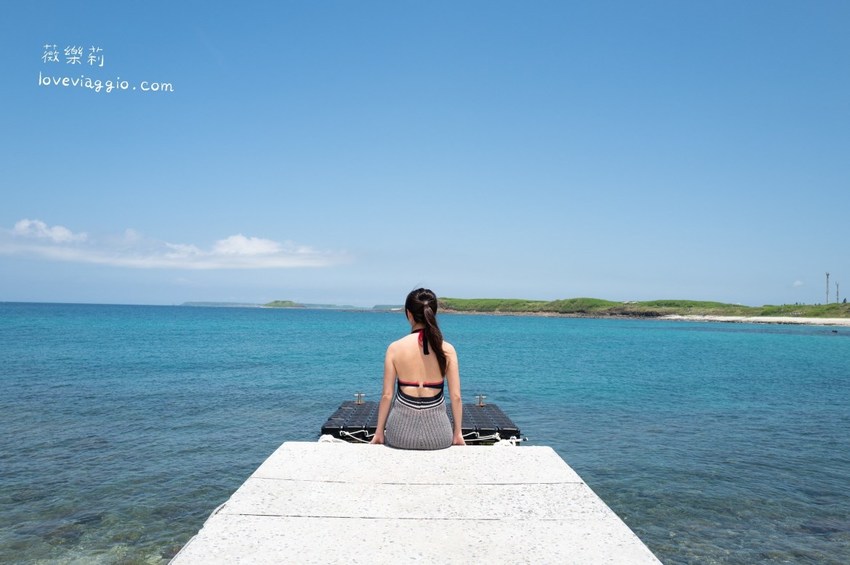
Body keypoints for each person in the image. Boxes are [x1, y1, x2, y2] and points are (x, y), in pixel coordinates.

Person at [371, 288, 465, 449]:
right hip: (439, 436)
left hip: (399, 435)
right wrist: (458, 433)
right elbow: (456, 397)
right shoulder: (447, 349)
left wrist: (379, 432)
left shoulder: (395, 348)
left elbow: (387, 395)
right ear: (433, 313)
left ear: (409, 314)